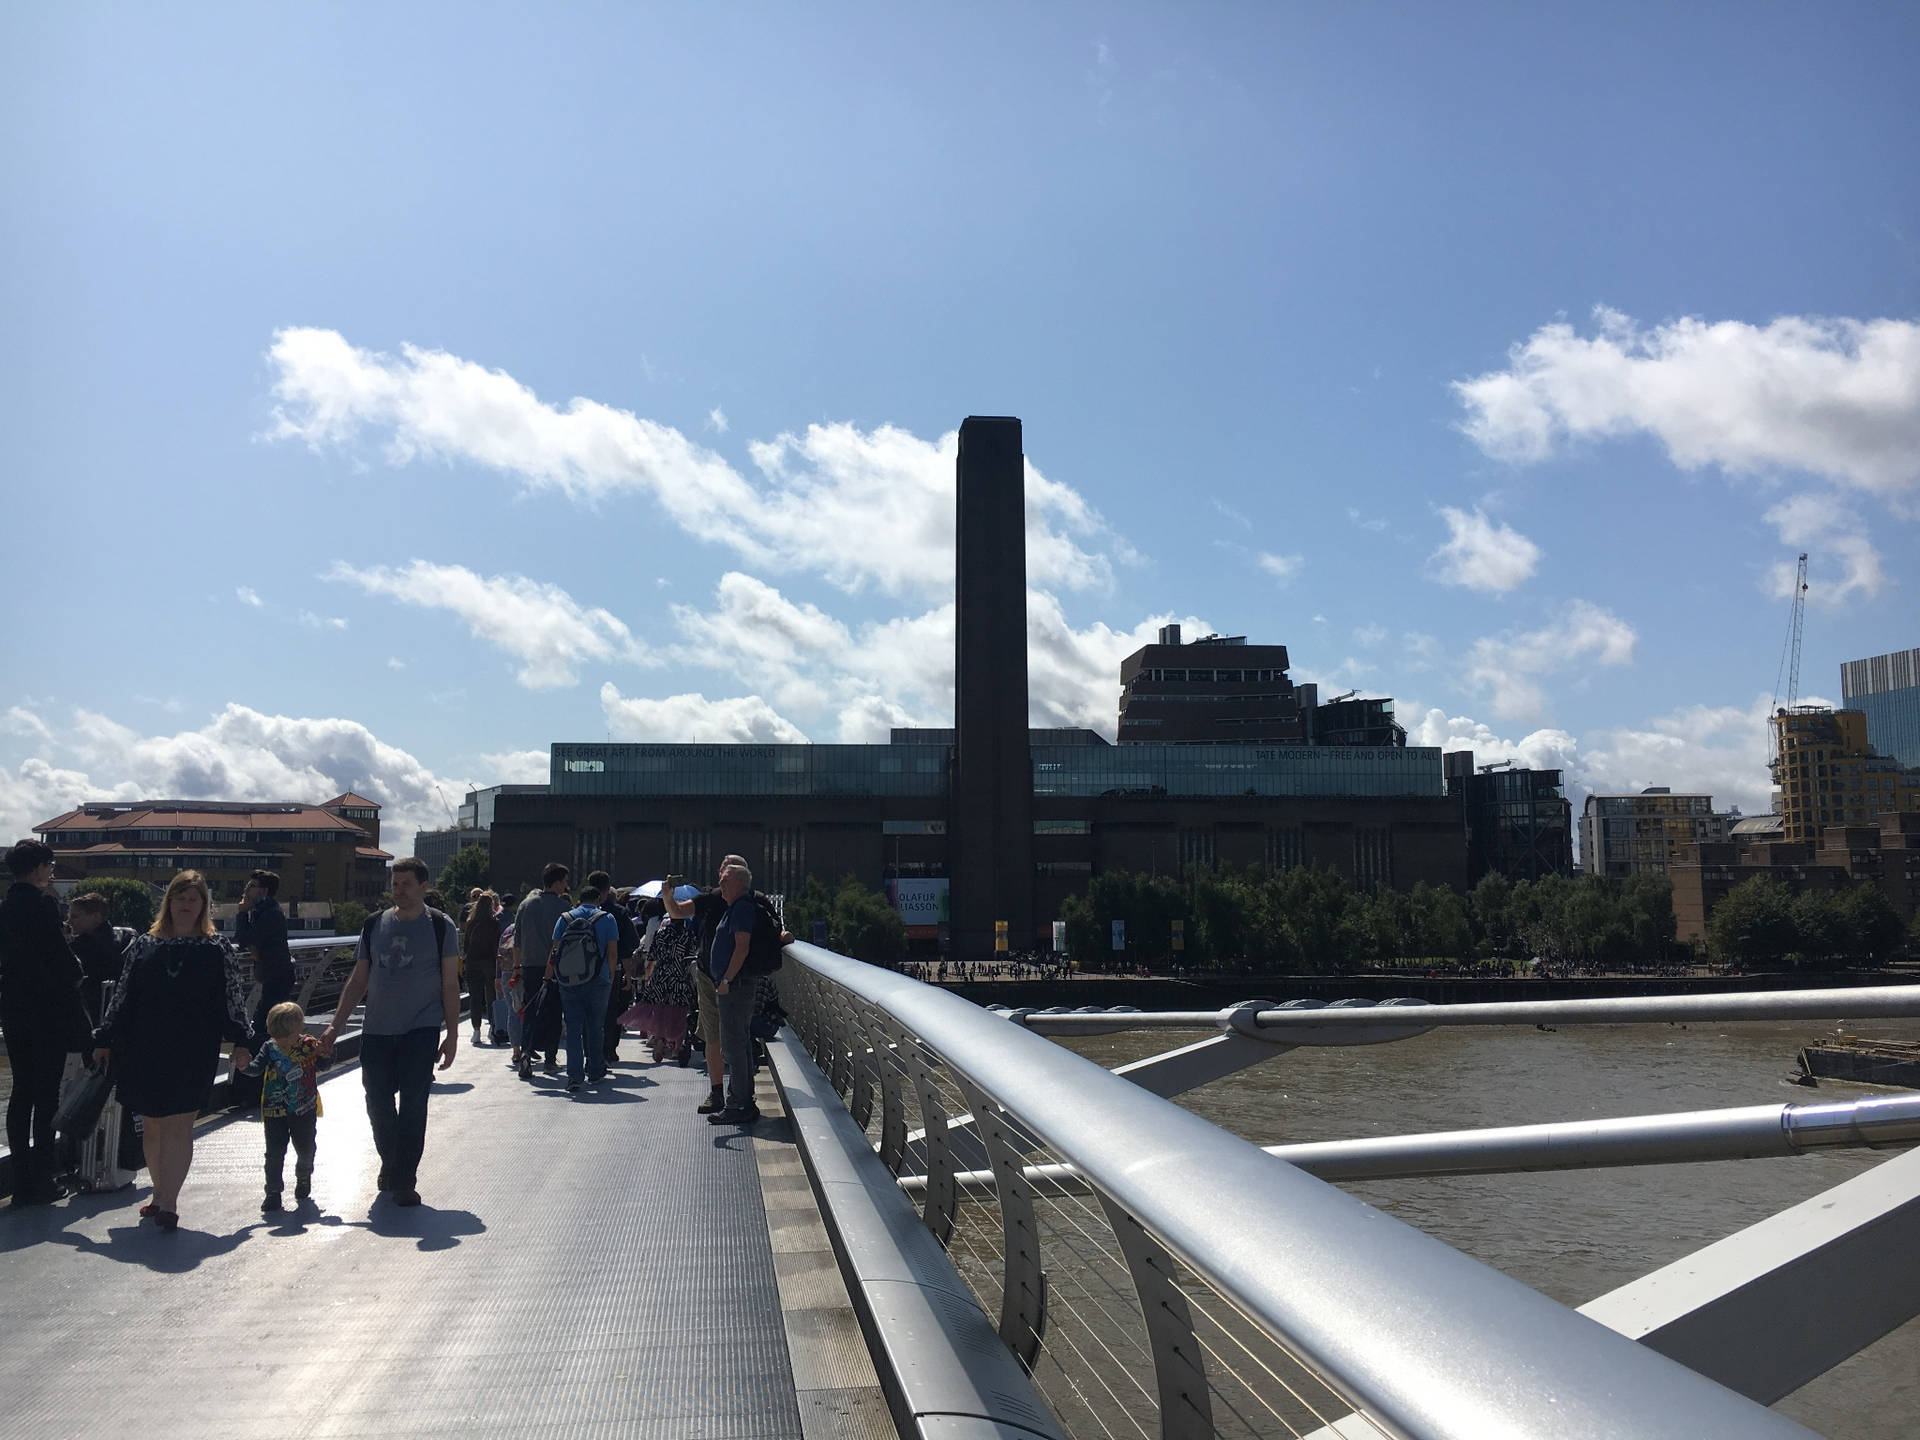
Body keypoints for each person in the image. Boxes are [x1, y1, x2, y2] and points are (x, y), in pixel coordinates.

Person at [91, 870, 257, 1230]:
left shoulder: (218, 949)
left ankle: (169, 1201)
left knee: (180, 1125)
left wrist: (242, 1040)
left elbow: (232, 999)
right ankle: (158, 1192)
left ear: (204, 905)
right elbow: (123, 996)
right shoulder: (142, 946)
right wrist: (104, 1037)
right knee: (152, 1126)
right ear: (169, 902)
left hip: (194, 1047)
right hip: (145, 1046)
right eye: (180, 898)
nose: (186, 905)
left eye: (193, 899)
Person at [318, 857, 459, 1207]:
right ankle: (391, 1160)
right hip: (377, 1029)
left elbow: (449, 983)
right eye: (395, 884)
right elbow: (359, 979)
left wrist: (452, 1034)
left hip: (421, 1029)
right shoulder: (373, 925)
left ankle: (404, 1177)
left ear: (423, 886)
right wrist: (334, 1026)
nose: (398, 890)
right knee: (376, 1102)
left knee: (414, 1104)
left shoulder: (441, 926)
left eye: (406, 884)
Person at [1, 840, 86, 1206]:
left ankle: (21, 1179)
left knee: (21, 1092)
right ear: (37, 869)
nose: (51, 872)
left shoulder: (4, 908)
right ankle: (43, 1175)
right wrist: (77, 971)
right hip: (47, 1011)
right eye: (49, 865)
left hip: (15, 1009)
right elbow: (59, 954)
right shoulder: (43, 904)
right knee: (46, 1094)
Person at [666, 861, 760, 1126]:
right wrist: (667, 896)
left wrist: (727, 979)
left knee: (734, 1045)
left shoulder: (742, 907)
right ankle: (736, 1099)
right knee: (732, 1043)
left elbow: (742, 947)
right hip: (720, 982)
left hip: (731, 985)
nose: (720, 881)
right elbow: (677, 912)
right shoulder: (728, 904)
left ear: (740, 881)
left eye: (726, 878)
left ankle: (739, 1103)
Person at [237, 1000, 330, 1212]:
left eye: (285, 1037)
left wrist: (325, 1054)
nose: (281, 1041)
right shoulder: (269, 1047)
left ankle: (304, 1176)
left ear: (298, 1028)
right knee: (274, 1153)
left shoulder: (309, 1045)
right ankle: (273, 1191)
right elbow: (256, 1069)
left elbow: (323, 1066)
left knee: (306, 1147)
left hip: (304, 1108)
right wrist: (244, 1067)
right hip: (274, 1109)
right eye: (276, 1036)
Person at [232, 869, 293, 1110]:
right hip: (274, 977)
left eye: (253, 885)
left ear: (264, 891)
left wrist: (241, 913)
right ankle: (255, 1090)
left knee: (262, 1031)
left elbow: (243, 938)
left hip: (276, 979)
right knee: (263, 1031)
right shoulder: (266, 911)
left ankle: (252, 1092)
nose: (247, 889)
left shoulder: (269, 914)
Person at [548, 885, 617, 1093]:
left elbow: (555, 951)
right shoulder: (607, 919)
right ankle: (595, 1071)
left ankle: (574, 1077)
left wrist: (549, 978)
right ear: (598, 899)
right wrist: (610, 976)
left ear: (579, 899)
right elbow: (612, 953)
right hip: (599, 980)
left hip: (569, 981)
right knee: (595, 1026)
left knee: (573, 1028)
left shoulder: (565, 918)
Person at [512, 864, 571, 1080]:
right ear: (557, 882)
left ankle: (526, 1052)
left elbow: (516, 939)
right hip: (555, 968)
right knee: (554, 1013)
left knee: (530, 1011)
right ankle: (550, 1059)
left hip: (529, 965)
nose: (566, 886)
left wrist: (517, 967)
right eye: (564, 881)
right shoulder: (563, 907)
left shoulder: (525, 905)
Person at [65, 892, 134, 1026]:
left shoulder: (85, 946)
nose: (69, 922)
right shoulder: (123, 939)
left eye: (75, 917)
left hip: (90, 1013)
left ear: (96, 917)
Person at [462, 891, 503, 1046]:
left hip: (473, 962)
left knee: (475, 997)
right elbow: (496, 945)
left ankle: (476, 1031)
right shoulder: (494, 923)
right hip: (489, 963)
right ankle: (493, 1028)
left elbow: (465, 945)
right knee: (491, 996)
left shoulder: (471, 922)